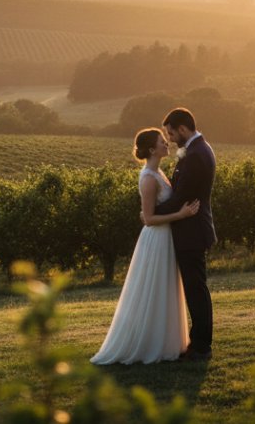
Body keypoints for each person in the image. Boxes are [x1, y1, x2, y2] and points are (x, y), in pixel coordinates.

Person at [90, 128, 200, 365]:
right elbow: (148, 219)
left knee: (163, 289)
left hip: (166, 237)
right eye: (162, 142)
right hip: (156, 239)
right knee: (154, 289)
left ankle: (165, 341)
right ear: (152, 149)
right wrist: (180, 215)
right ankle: (149, 344)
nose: (167, 144)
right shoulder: (149, 177)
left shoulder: (158, 172)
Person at [153, 107, 216, 361]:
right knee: (194, 288)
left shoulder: (196, 155)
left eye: (171, 133)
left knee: (195, 289)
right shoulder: (197, 150)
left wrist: (152, 212)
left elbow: (182, 197)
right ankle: (198, 342)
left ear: (182, 129)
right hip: (191, 229)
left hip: (192, 231)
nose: (169, 139)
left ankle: (201, 346)